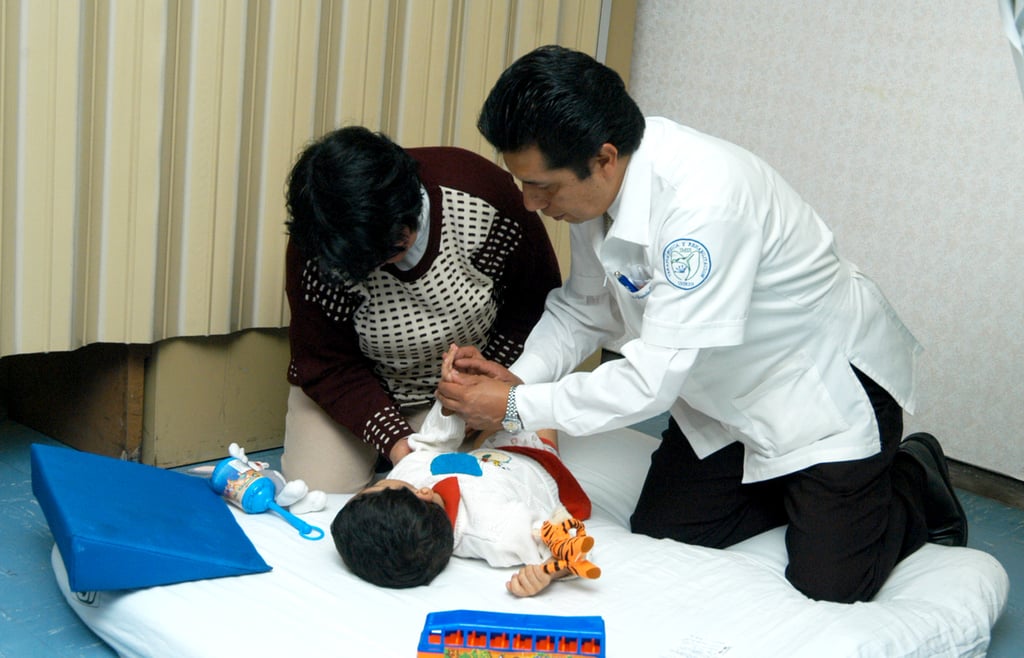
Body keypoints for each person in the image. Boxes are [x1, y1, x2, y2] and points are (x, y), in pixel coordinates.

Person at [435, 45, 968, 604]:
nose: (528, 201)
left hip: (818, 390)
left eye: (541, 186)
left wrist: (516, 408)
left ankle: (910, 476)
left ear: (605, 158)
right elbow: (586, 306)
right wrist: (516, 379)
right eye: (522, 183)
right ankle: (801, 490)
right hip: (720, 388)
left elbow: (650, 381)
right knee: (668, 532)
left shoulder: (704, 205)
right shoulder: (594, 197)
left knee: (832, 585)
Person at [282, 126, 561, 493]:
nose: (376, 273)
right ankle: (384, 448)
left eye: (391, 254)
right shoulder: (320, 241)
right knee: (316, 492)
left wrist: (486, 383)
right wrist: (399, 444)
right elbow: (327, 363)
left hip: (465, 382)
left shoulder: (482, 197)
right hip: (361, 386)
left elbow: (534, 307)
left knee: (502, 480)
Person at [330, 390, 598, 597]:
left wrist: (450, 402)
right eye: (376, 485)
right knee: (535, 408)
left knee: (492, 420)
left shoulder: (409, 475)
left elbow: (434, 442)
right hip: (533, 462)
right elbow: (570, 541)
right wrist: (548, 573)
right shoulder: (496, 532)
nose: (376, 483)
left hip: (487, 455)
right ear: (423, 493)